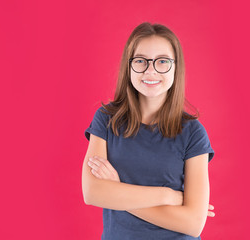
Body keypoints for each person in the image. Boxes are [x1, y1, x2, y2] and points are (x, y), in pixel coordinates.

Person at [82, 22, 215, 239]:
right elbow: (93, 193)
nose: (150, 70)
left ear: (176, 67)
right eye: (141, 61)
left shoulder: (193, 133)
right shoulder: (107, 119)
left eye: (162, 61)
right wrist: (167, 196)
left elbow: (192, 224)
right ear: (129, 66)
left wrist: (117, 190)